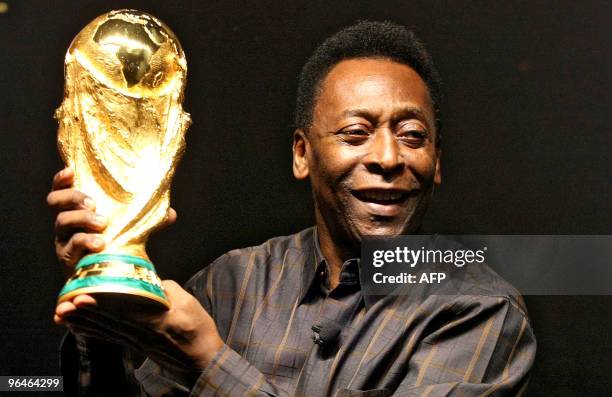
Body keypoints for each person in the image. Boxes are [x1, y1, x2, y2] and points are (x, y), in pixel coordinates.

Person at [48, 21, 536, 396]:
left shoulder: (478, 310)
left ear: (437, 163)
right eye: (355, 134)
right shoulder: (231, 284)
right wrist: (103, 304)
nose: (388, 158)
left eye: (412, 136)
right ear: (302, 154)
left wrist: (208, 363)